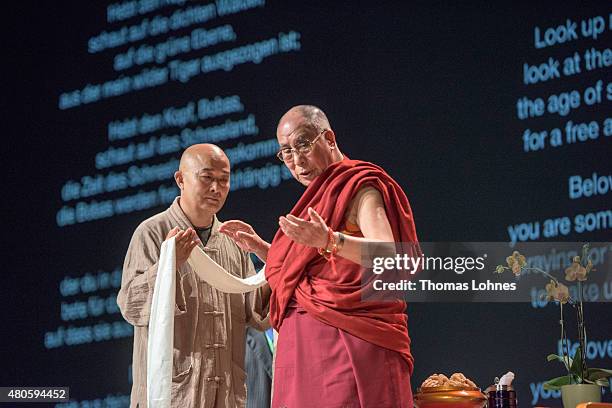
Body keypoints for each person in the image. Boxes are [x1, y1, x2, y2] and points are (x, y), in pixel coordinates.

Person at [220, 106, 419, 407]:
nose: (297, 161)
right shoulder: (320, 197)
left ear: (328, 137)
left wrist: (330, 240)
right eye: (286, 151)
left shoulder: (359, 187)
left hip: (349, 347)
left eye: (303, 144)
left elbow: (391, 255)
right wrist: (264, 250)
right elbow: (311, 267)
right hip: (303, 352)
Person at [117, 144, 270, 408]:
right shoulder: (153, 233)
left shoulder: (232, 241)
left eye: (224, 180)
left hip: (226, 394)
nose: (216, 188)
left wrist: (272, 262)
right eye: (207, 177)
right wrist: (169, 266)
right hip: (174, 394)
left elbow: (256, 313)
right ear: (180, 179)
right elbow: (130, 306)